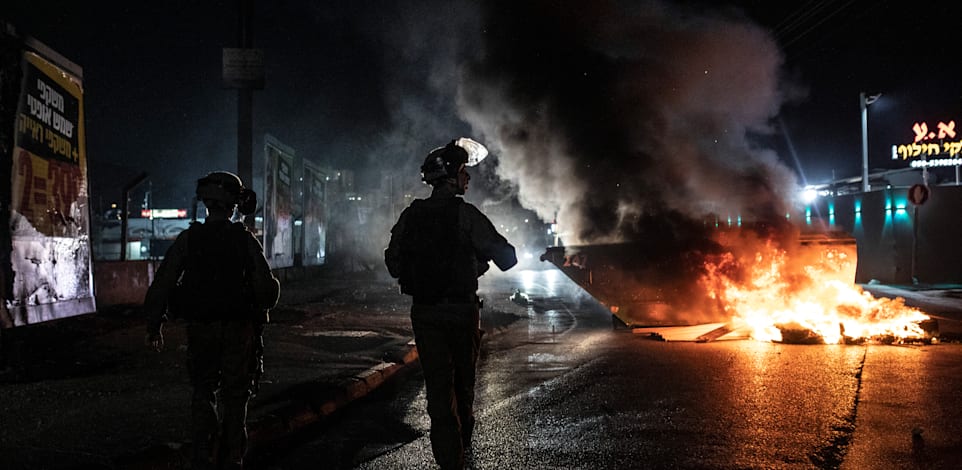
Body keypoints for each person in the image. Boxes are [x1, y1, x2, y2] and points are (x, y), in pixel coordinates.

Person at [384, 139, 517, 469]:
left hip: (425, 313)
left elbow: (393, 263)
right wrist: (475, 260)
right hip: (460, 311)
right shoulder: (466, 215)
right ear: (451, 177)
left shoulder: (411, 215)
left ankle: (450, 462)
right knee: (463, 387)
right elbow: (507, 257)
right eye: (463, 172)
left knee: (439, 394)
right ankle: (464, 451)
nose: (467, 179)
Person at [144, 171, 280, 470]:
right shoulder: (244, 241)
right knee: (236, 396)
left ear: (206, 203)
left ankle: (202, 457)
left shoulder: (188, 239)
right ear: (233, 204)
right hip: (238, 329)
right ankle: (232, 459)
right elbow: (266, 291)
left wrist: (154, 324)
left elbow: (163, 283)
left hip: (201, 328)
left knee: (202, 391)